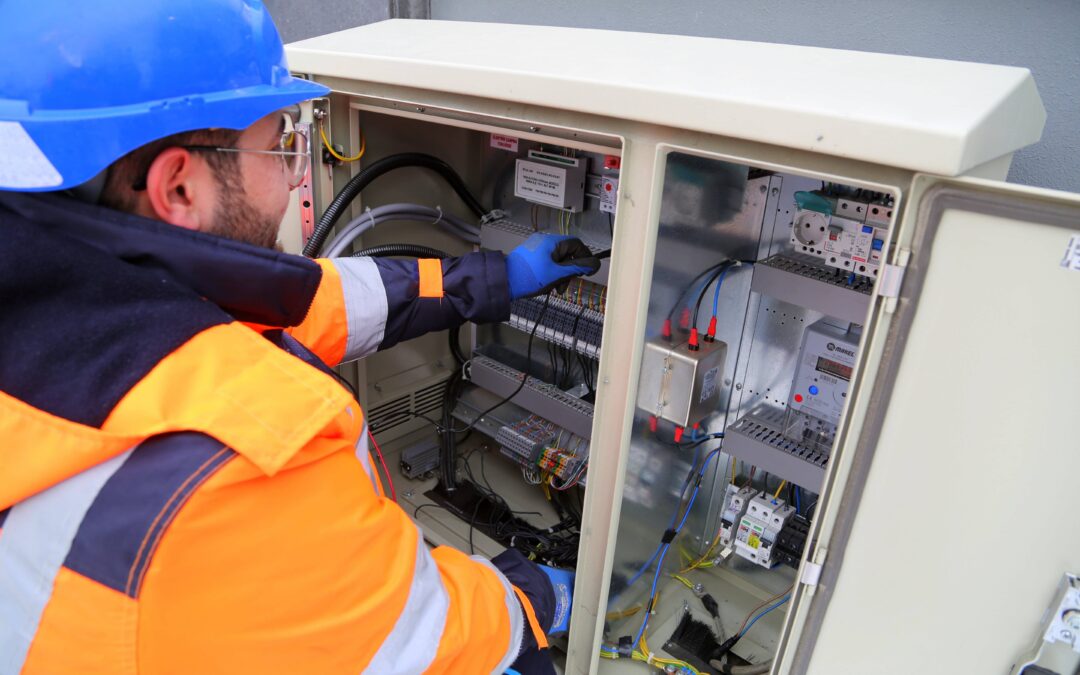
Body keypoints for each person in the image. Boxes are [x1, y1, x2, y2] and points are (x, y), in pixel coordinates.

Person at [0, 1, 596, 673]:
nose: (293, 176)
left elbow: (314, 299)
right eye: (280, 143)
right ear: (178, 187)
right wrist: (534, 597)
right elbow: (432, 641)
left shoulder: (74, 293)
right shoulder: (246, 465)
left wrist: (494, 277)